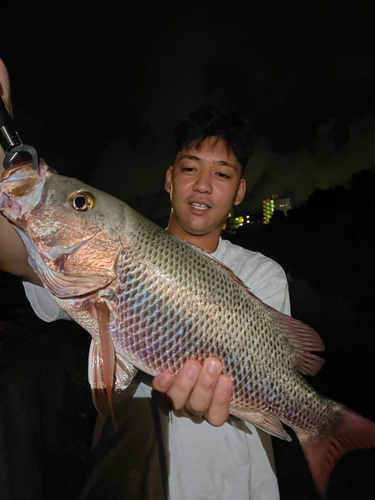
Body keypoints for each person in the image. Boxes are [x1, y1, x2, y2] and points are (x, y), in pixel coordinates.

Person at [0, 58, 290, 499]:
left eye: (223, 174)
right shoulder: (98, 256)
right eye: (190, 168)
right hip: (131, 478)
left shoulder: (263, 274)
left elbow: (278, 373)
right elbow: (14, 247)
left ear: (240, 191)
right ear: (170, 180)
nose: (204, 186)